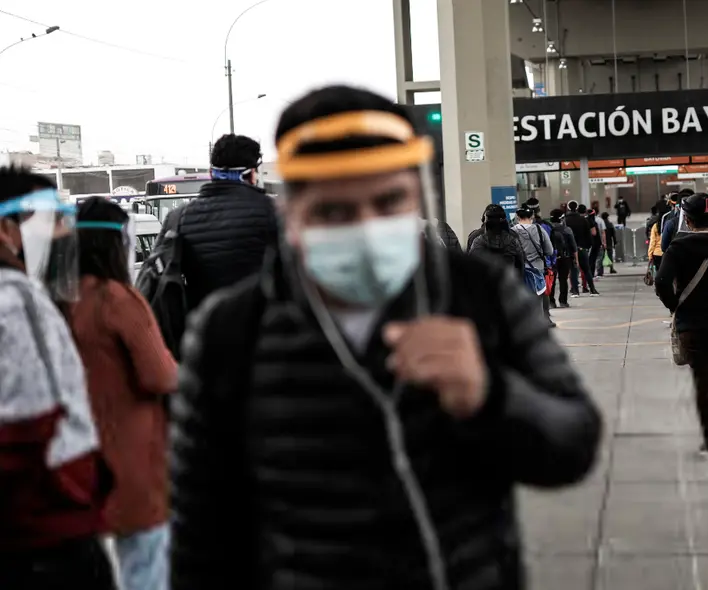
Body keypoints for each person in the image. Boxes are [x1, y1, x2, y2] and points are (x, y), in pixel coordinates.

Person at [169, 86, 602, 590]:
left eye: (388, 202)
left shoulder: (478, 292)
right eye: (335, 212)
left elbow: (574, 442)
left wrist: (490, 394)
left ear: (415, 199)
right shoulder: (230, 330)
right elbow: (199, 536)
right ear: (290, 215)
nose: (368, 230)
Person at [0, 168, 115, 590]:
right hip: (48, 536)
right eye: (52, 220)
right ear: (6, 229)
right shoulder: (19, 299)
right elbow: (36, 425)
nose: (65, 231)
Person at [70, 197, 178, 590]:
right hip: (130, 454)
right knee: (146, 562)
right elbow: (160, 376)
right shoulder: (119, 299)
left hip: (76, 456)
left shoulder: (57, 300)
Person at [655, 194, 708, 459]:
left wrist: (675, 306)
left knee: (704, 385)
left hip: (693, 324)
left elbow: (662, 282)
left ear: (689, 220)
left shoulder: (680, 248)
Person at [173, 134, 279, 313]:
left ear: (211, 173)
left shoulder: (179, 217)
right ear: (252, 174)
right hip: (264, 328)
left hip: (202, 329)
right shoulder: (273, 211)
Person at [512, 206, 555, 326]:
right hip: (538, 268)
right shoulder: (540, 229)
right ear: (532, 217)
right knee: (541, 293)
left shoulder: (512, 232)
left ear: (518, 217)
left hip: (520, 269)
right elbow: (549, 250)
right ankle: (544, 319)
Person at [469, 204, 524, 272]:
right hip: (508, 278)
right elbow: (521, 262)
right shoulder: (513, 237)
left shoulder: (476, 237)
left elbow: (469, 262)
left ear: (485, 219)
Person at [564, 201, 599, 296]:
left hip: (570, 249)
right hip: (582, 248)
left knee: (573, 270)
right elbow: (589, 235)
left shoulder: (565, 221)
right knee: (586, 269)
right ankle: (592, 289)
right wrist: (588, 246)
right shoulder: (583, 220)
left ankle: (575, 291)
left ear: (568, 208)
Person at [548, 209, 578, 308]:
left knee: (551, 280)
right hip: (565, 257)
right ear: (562, 218)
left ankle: (551, 302)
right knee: (563, 279)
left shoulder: (547, 229)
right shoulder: (567, 229)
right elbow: (573, 246)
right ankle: (563, 301)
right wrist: (576, 260)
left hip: (552, 258)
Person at [647, 201, 670, 271]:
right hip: (668, 253)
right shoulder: (671, 224)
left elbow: (652, 242)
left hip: (657, 253)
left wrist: (650, 255)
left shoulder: (656, 226)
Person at [588, 208, 607, 278]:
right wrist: (604, 242)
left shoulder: (586, 220)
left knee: (591, 259)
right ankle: (599, 272)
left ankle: (591, 273)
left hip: (589, 243)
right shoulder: (600, 220)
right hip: (598, 242)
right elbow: (603, 232)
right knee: (599, 257)